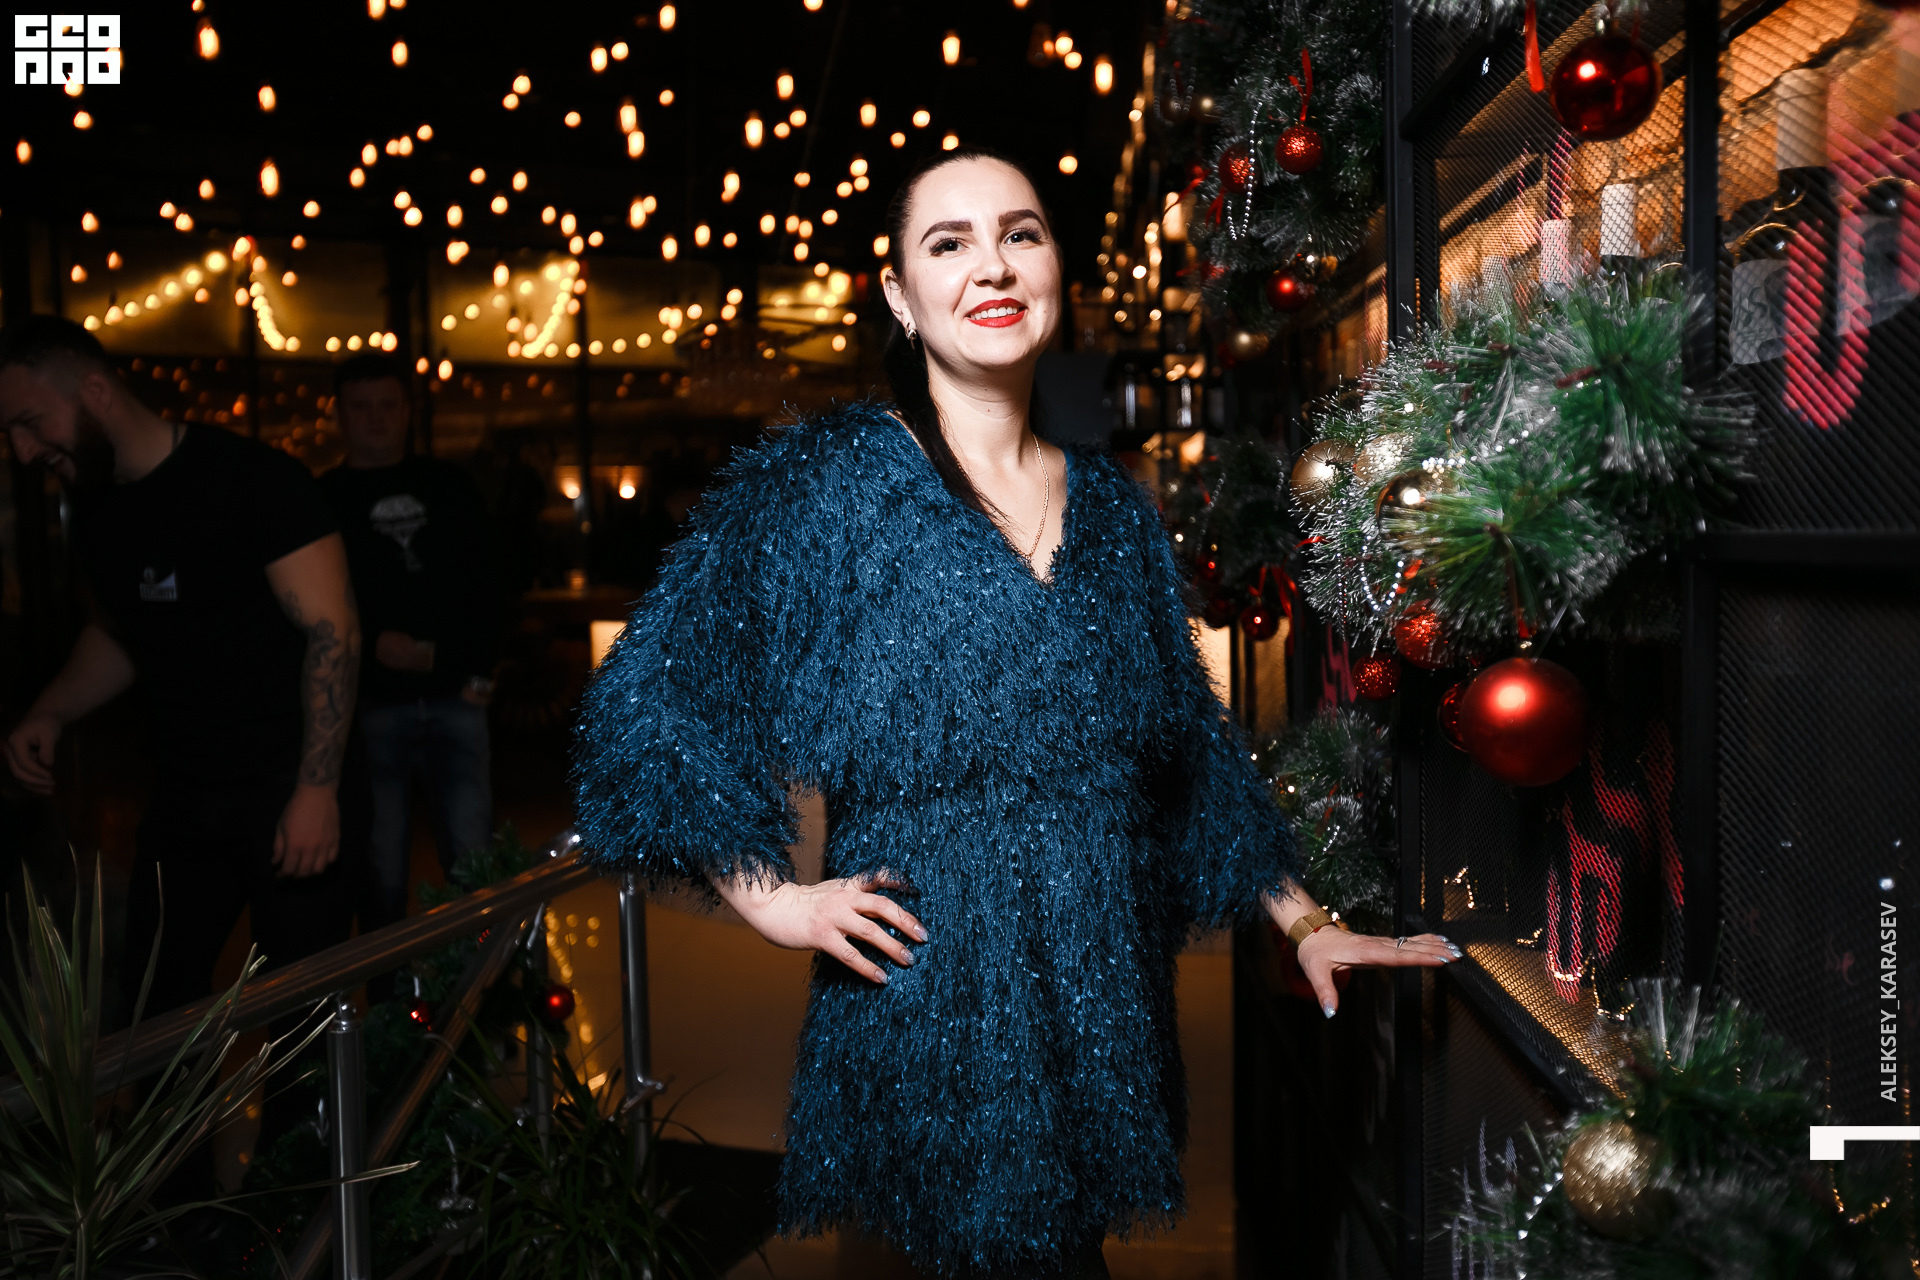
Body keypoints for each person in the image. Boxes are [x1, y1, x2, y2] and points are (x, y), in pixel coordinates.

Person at [573, 149, 1462, 1280]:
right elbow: (648, 706)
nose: (991, 265)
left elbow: (1188, 758)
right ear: (899, 295)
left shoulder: (1112, 510)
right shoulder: (826, 486)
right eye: (949, 243)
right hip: (931, 1006)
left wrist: (1303, 920)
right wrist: (774, 900)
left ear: (1054, 269)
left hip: (1098, 1007)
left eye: (1020, 234)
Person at [0, 314, 361, 1022]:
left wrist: (317, 791)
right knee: (155, 1009)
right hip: (188, 791)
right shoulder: (97, 509)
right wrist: (51, 710)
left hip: (291, 784)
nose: (21, 450)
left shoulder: (252, 480)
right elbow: (119, 634)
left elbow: (333, 631)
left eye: (30, 423)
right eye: (8, 433)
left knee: (301, 1023)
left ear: (94, 392)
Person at [320, 354, 498, 935]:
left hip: (455, 698)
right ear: (339, 414)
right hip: (370, 708)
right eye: (361, 407)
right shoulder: (324, 499)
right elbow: (311, 603)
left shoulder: (447, 486)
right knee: (381, 872)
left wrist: (477, 676)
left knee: (474, 865)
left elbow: (489, 583)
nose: (375, 418)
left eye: (387, 405)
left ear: (407, 412)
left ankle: (485, 982)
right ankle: (389, 992)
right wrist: (371, 645)